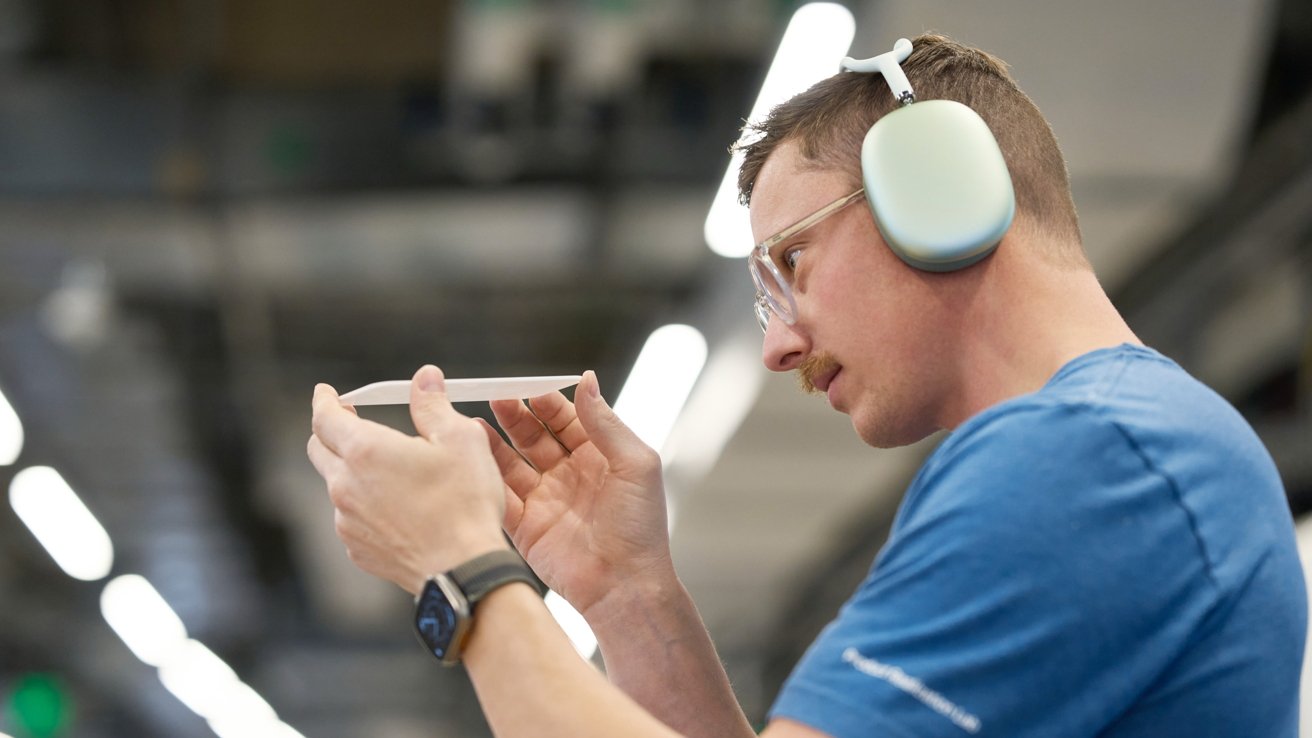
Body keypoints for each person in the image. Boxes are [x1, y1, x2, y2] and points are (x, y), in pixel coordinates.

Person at [307, 33, 1306, 737]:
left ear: (939, 191)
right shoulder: (1132, 449)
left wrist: (467, 574)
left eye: (790, 263)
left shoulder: (1088, 459)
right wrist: (625, 593)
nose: (779, 347)